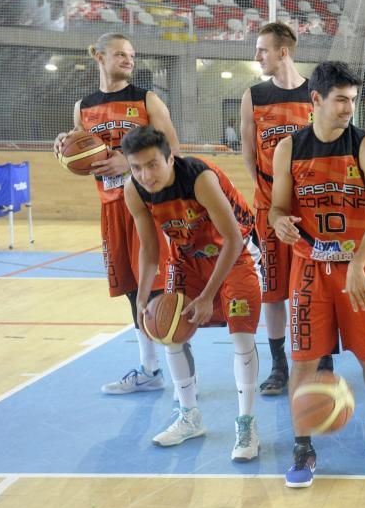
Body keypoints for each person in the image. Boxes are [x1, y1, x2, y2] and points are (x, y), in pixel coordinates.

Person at [268, 62, 365, 488]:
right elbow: (277, 207)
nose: (348, 108)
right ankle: (302, 445)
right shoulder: (289, 148)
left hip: (359, 266)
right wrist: (280, 221)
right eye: (340, 100)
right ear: (316, 100)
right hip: (309, 269)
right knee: (303, 359)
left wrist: (359, 263)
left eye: (352, 100)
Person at [121, 126, 262, 461]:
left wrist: (206, 297)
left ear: (171, 157)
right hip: (187, 257)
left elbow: (231, 239)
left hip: (236, 252)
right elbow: (151, 248)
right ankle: (189, 416)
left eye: (153, 164)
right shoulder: (134, 190)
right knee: (170, 333)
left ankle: (247, 425)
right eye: (137, 167)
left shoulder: (199, 178)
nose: (146, 175)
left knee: (241, 336)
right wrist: (143, 296)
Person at [53, 33, 180, 396]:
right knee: (129, 290)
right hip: (111, 206)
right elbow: (82, 151)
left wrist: (130, 160)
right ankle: (150, 369)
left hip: (148, 206)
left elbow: (172, 147)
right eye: (121, 54)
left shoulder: (146, 99)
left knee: (156, 289)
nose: (128, 59)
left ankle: (182, 376)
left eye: (131, 55)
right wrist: (63, 144)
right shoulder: (84, 106)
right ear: (99, 56)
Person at [240, 22, 333, 397]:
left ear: (283, 52)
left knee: (317, 287)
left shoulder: (316, 92)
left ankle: (323, 357)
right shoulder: (254, 95)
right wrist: (269, 194)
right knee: (274, 291)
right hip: (270, 210)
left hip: (312, 210)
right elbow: (248, 152)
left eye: (262, 50)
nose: (257, 56)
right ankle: (280, 365)